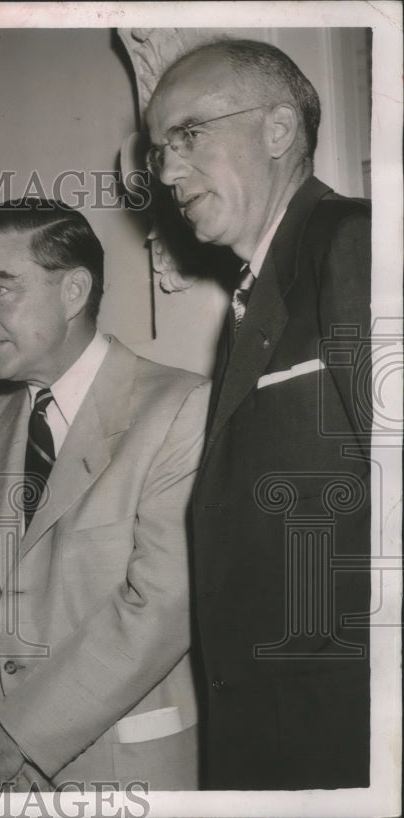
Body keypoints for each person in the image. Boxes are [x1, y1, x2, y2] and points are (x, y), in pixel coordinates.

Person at [0, 199, 209, 791]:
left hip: (125, 772)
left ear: (74, 292)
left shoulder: (180, 409)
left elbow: (159, 609)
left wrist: (14, 734)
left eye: (1, 290)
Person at [145, 39, 371, 790]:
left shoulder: (354, 243)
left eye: (188, 136)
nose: (167, 171)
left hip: (347, 732)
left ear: (278, 131)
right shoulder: (253, 298)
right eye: (159, 150)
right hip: (270, 730)